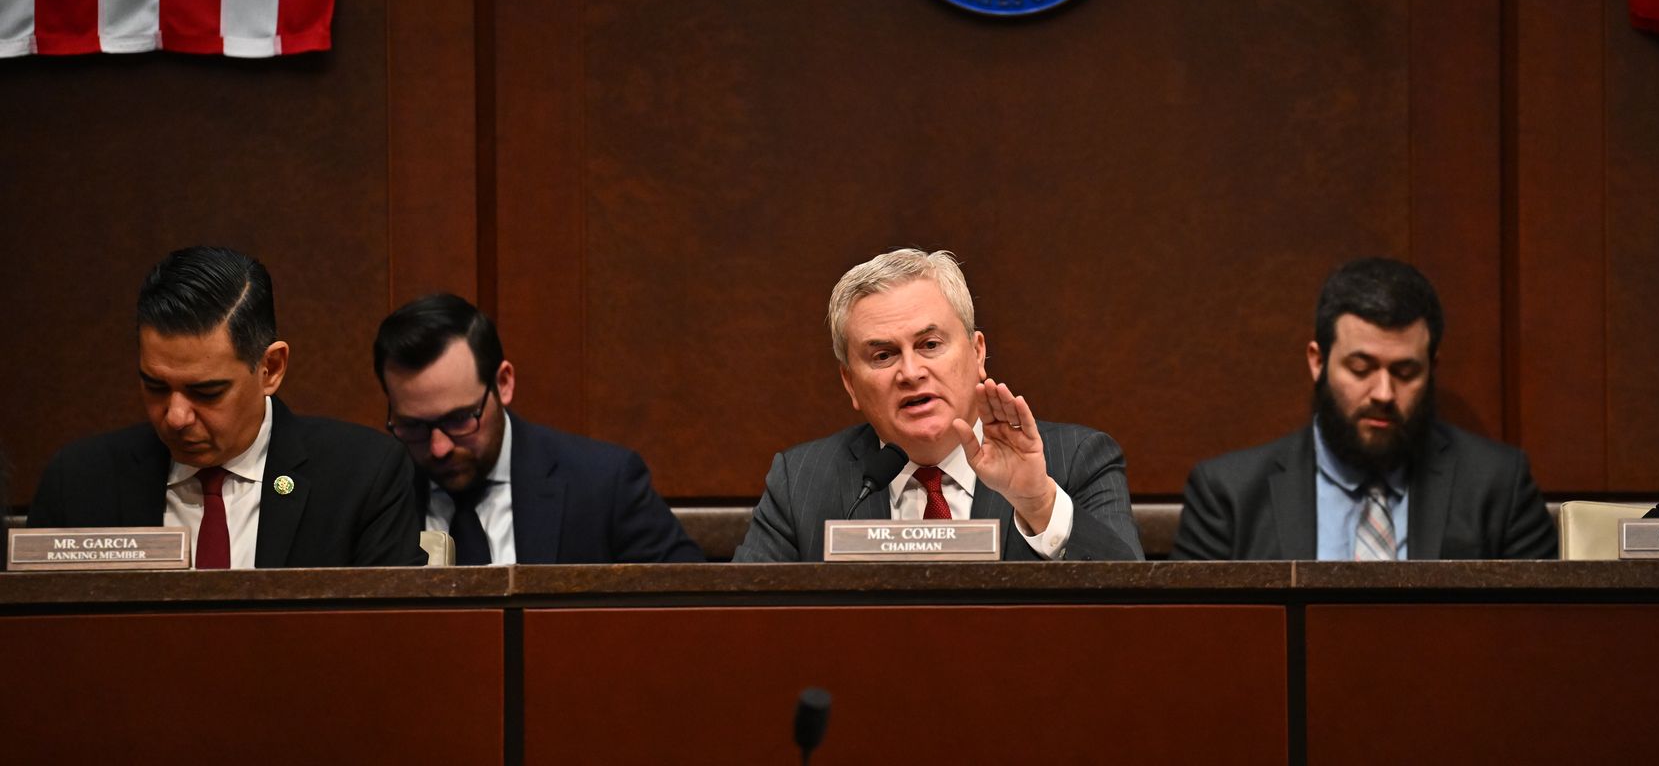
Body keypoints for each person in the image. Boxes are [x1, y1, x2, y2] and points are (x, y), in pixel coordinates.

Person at [734, 248, 1142, 561]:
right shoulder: (802, 481)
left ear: (977, 353)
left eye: (930, 345)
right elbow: (743, 631)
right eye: (883, 355)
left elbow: (1138, 614)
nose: (910, 372)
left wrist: (1038, 503)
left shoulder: (1075, 461)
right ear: (850, 384)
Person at [28, 246, 425, 567]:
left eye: (206, 392)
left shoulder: (363, 476)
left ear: (270, 368)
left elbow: (387, 647)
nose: (176, 417)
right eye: (155, 386)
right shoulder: (79, 483)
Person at [1171, 257, 1556, 560]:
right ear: (1317, 361)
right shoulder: (1230, 495)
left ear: (1432, 370)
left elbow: (1540, 639)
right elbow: (1191, 643)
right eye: (1361, 369)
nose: (1384, 393)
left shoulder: (1498, 486)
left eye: (1406, 372)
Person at [375, 294, 704, 564]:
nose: (439, 448)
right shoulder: (372, 498)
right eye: (413, 426)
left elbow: (692, 609)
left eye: (460, 419)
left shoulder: (604, 484)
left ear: (503, 384)